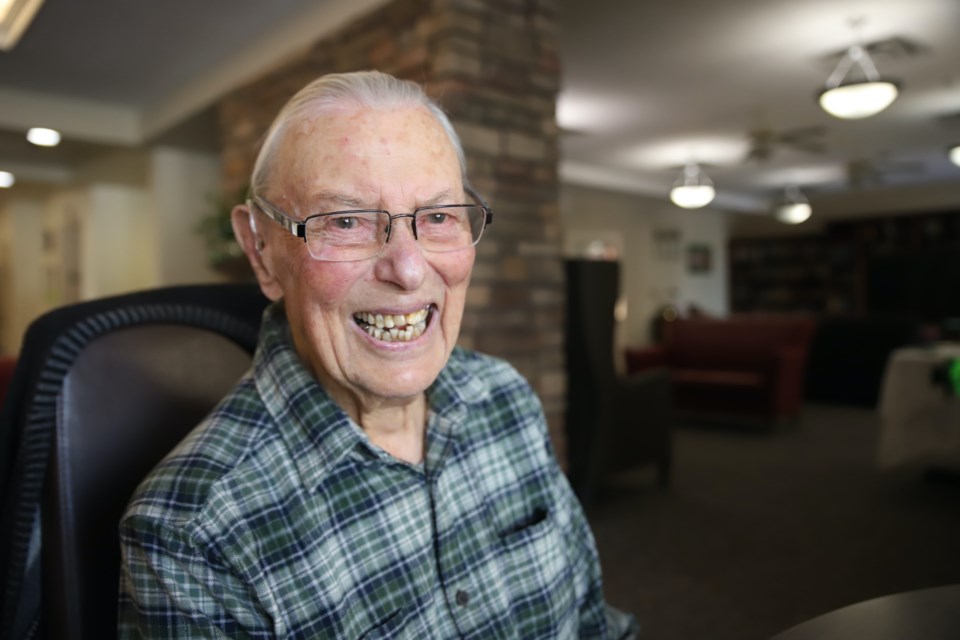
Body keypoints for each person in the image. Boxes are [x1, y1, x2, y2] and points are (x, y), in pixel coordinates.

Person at [118, 70, 637, 639]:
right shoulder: (194, 532)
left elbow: (592, 621)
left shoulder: (504, 396)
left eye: (438, 216)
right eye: (345, 221)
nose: (409, 270)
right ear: (261, 252)